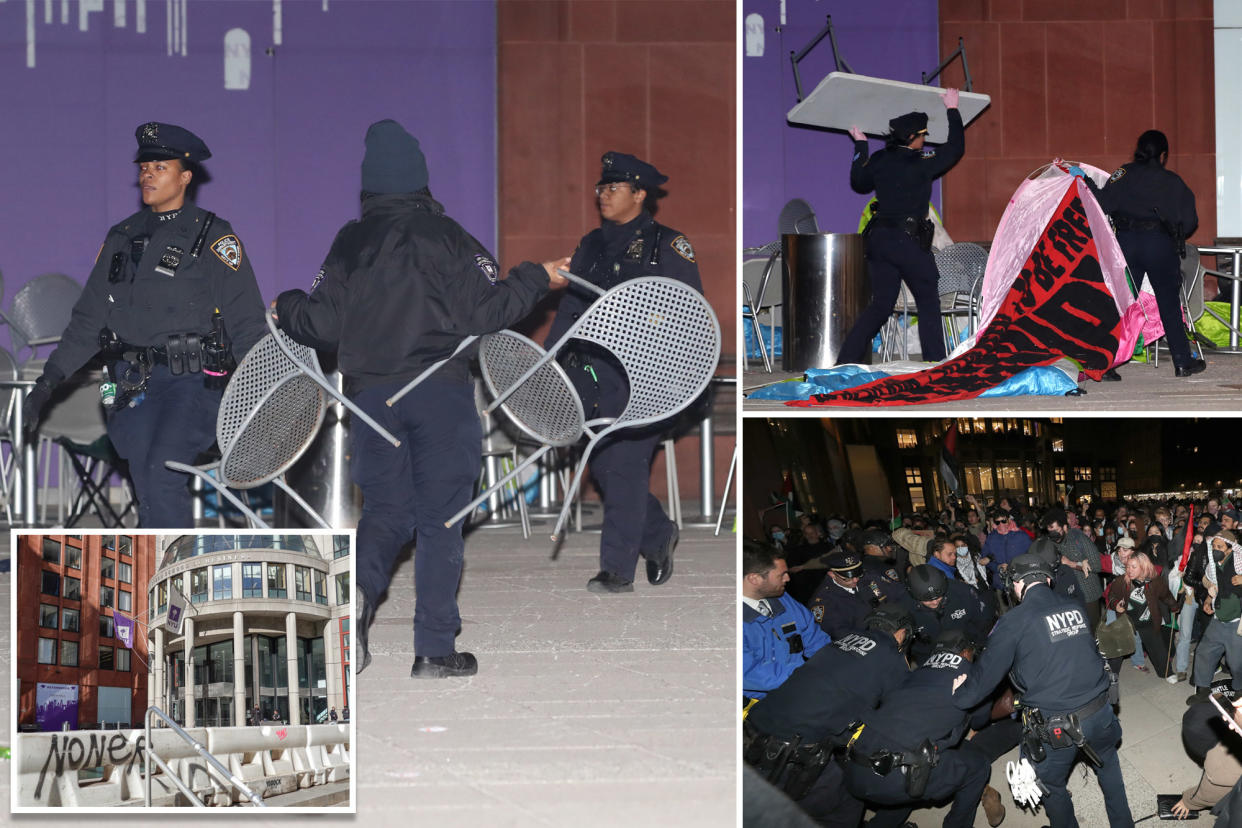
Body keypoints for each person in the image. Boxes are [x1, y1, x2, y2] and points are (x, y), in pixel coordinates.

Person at [275, 119, 569, 679]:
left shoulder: (349, 242)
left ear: (369, 186)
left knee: (386, 512)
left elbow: (320, 323)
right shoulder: (448, 237)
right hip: (437, 392)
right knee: (441, 517)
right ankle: (434, 650)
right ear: (421, 181)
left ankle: (356, 598)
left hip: (372, 401)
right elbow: (486, 311)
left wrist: (284, 303)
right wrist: (537, 276)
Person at [24, 122, 267, 528]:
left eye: (160, 167)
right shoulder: (121, 236)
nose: (148, 174)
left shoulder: (213, 236)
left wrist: (259, 397)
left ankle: (173, 577)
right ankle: (154, 568)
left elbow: (246, 322)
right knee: (145, 476)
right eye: (144, 167)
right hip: (128, 382)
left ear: (185, 176)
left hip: (192, 380)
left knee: (162, 470)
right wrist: (47, 383)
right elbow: (88, 319)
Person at [542, 151, 703, 594]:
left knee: (626, 465)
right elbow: (571, 305)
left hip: (644, 378)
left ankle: (616, 570)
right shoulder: (591, 244)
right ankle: (657, 534)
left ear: (640, 194)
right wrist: (548, 359)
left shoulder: (668, 245)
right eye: (601, 188)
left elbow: (691, 314)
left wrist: (678, 377)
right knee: (607, 466)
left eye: (613, 188)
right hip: (591, 374)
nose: (603, 196)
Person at [951, 553, 1132, 828]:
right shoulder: (1075, 605)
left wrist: (959, 693)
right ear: (1048, 579)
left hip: (1056, 727)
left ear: (1015, 585)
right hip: (1101, 712)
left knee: (1051, 786)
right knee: (1110, 771)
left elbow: (983, 680)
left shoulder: (1012, 621)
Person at [744, 604, 914, 826]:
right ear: (902, 632)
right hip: (797, 748)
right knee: (845, 802)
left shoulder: (843, 640)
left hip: (755, 728)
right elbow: (903, 708)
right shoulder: (892, 657)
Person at [835, 88, 965, 365]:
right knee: (929, 302)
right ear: (912, 138)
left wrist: (860, 145)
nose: (924, 139)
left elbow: (859, 182)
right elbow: (955, 149)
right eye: (923, 135)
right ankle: (933, 366)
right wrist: (952, 109)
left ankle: (844, 362)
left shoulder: (881, 160)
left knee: (881, 305)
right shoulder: (920, 162)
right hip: (907, 242)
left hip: (879, 241)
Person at [843, 629, 1005, 828]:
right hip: (897, 774)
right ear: (964, 653)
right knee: (978, 766)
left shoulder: (913, 672)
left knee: (914, 773)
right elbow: (980, 721)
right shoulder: (970, 673)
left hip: (854, 769)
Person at [1078, 129, 1202, 377]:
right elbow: (1190, 222)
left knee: (1120, 305)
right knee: (1168, 303)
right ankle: (1182, 361)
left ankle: (1105, 363)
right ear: (1164, 155)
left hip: (1127, 244)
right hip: (1158, 245)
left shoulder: (1123, 173)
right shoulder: (1173, 182)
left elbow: (1103, 201)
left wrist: (1085, 179)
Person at [743, 542, 830, 701]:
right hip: (758, 701)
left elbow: (817, 640)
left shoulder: (784, 600)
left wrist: (835, 663)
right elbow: (751, 673)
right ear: (754, 579)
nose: (788, 578)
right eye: (781, 575)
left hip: (799, 686)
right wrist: (808, 677)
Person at [1187, 529, 1242, 705]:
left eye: (1220, 546)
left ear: (1230, 548)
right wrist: (1209, 599)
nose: (1216, 549)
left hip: (1237, 623)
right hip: (1218, 620)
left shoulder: (1240, 563)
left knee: (1236, 662)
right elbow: (1211, 582)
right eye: (1214, 546)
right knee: (1204, 652)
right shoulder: (1214, 565)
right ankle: (1203, 691)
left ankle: (1240, 691)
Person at [1104, 547, 1176, 678]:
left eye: (1133, 567)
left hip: (1148, 621)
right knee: (1118, 648)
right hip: (1128, 621)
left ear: (1143, 567)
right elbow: (1112, 595)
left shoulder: (1155, 581)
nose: (1129, 570)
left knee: (1158, 649)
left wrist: (1174, 607)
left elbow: (1166, 595)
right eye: (1128, 566)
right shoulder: (1121, 581)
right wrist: (1116, 605)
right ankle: (1110, 676)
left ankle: (1167, 673)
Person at [806, 551, 874, 639]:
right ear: (832, 575)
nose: (855, 580)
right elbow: (841, 634)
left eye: (857, 575)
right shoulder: (824, 603)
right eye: (847, 579)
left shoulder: (862, 579)